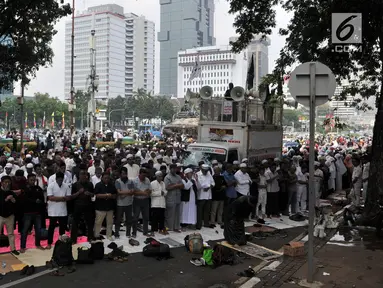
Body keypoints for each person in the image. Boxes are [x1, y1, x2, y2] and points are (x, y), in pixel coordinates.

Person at [46, 172, 71, 249]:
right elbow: (50, 198)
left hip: (63, 210)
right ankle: (49, 243)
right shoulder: (51, 186)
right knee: (51, 228)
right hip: (53, 211)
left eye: (61, 179)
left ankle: (61, 243)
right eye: (59, 179)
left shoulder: (66, 186)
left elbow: (68, 198)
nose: (60, 181)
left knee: (62, 228)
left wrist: (57, 199)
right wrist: (62, 198)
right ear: (56, 179)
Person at [70, 167, 95, 243]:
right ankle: (73, 239)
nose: (84, 175)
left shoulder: (90, 184)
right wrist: (79, 192)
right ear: (79, 175)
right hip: (78, 205)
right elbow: (71, 196)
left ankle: (90, 237)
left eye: (85, 174)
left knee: (90, 222)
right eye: (82, 174)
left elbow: (93, 194)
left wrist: (90, 193)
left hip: (88, 205)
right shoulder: (75, 185)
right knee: (75, 223)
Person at [20, 174, 45, 253]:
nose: (33, 181)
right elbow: (25, 199)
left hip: (37, 212)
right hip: (27, 212)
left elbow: (41, 198)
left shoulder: (38, 188)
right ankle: (22, 246)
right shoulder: (25, 189)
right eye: (31, 180)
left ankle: (37, 244)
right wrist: (35, 201)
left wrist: (39, 202)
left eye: (34, 180)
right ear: (28, 180)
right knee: (25, 230)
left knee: (38, 230)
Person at [94, 172, 117, 240]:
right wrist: (106, 195)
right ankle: (96, 235)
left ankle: (109, 235)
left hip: (110, 207)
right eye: (105, 178)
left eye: (108, 178)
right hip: (100, 207)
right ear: (102, 178)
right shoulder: (98, 185)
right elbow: (97, 195)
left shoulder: (112, 185)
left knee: (110, 222)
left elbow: (115, 195)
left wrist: (111, 196)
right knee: (98, 222)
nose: (106, 179)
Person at [0, 175, 18, 255]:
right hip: (0, 215)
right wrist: (6, 199)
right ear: (2, 183)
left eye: (8, 182)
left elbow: (16, 204)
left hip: (10, 216)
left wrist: (13, 199)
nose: (7, 184)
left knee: (10, 233)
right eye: (5, 182)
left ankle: (13, 249)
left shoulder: (11, 193)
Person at [115, 167, 135, 238]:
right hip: (120, 204)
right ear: (120, 174)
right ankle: (116, 233)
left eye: (125, 173)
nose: (125, 175)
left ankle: (128, 233)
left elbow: (132, 192)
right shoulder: (117, 181)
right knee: (118, 220)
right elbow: (119, 192)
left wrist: (123, 194)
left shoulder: (130, 181)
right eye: (123, 174)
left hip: (129, 203)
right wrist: (127, 192)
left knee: (129, 220)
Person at [164, 164, 184, 232]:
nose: (175, 170)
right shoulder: (167, 177)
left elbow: (182, 186)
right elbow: (167, 187)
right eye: (173, 168)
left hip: (178, 197)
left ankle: (176, 227)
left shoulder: (178, 176)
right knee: (170, 213)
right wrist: (177, 185)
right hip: (170, 197)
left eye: (176, 168)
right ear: (170, 169)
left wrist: (174, 185)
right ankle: (169, 227)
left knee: (177, 213)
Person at [132, 168, 152, 237]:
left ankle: (145, 232)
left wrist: (146, 192)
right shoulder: (134, 181)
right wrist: (143, 193)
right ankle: (134, 233)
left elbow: (150, 190)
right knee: (135, 217)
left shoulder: (147, 180)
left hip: (145, 201)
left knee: (146, 217)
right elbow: (134, 192)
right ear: (139, 174)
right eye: (143, 175)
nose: (144, 177)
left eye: (145, 176)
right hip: (137, 200)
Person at [196, 164, 215, 229]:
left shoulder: (209, 174)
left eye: (206, 170)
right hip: (201, 196)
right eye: (204, 171)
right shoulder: (197, 174)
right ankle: (199, 224)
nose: (206, 172)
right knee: (199, 211)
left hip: (209, 196)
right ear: (201, 169)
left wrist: (209, 186)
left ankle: (206, 224)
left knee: (207, 211)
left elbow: (213, 183)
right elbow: (200, 185)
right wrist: (207, 186)